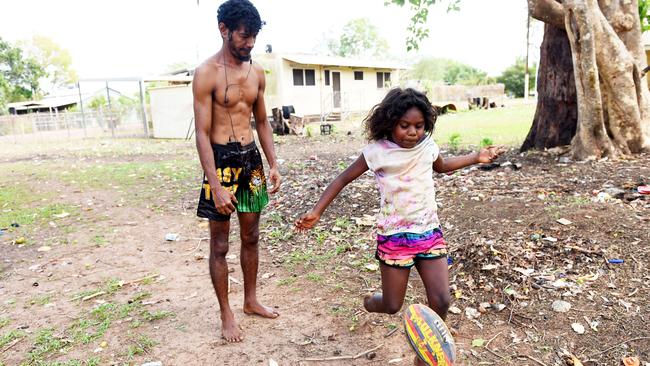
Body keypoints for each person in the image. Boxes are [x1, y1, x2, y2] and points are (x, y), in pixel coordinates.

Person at [295, 88, 504, 365]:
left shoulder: (427, 146)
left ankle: (425, 355)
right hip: (394, 238)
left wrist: (476, 158)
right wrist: (316, 211)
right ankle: (371, 301)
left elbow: (441, 167)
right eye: (404, 125)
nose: (412, 132)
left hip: (429, 233)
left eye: (418, 126)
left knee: (441, 300)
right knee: (392, 305)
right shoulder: (377, 152)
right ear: (390, 122)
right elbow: (343, 178)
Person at [193, 0, 281, 343]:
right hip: (221, 163)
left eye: (254, 37)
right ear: (224, 30)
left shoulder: (256, 72)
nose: (250, 44)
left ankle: (250, 300)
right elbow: (201, 132)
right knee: (219, 245)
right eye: (245, 36)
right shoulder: (206, 73)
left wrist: (273, 163)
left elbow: (262, 121)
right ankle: (226, 313)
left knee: (252, 236)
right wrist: (214, 184)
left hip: (251, 160)